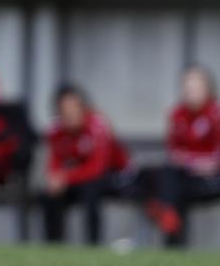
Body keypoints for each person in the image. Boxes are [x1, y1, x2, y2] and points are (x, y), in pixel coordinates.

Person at [41, 85, 131, 245]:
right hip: (77, 177)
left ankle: (92, 245)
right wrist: (54, 179)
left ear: (83, 108)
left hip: (113, 176)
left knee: (91, 189)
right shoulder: (56, 130)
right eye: (64, 109)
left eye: (73, 108)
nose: (69, 113)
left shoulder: (97, 125)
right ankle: (53, 245)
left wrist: (65, 178)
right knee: (50, 195)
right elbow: (54, 161)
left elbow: (97, 168)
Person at [147, 66, 220, 246]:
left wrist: (194, 161)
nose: (190, 92)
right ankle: (168, 218)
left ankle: (163, 211)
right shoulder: (177, 113)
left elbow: (214, 159)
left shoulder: (215, 114)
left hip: (212, 179)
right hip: (186, 177)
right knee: (164, 175)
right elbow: (173, 150)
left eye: (195, 87)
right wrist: (192, 161)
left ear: (208, 89)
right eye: (187, 87)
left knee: (169, 187)